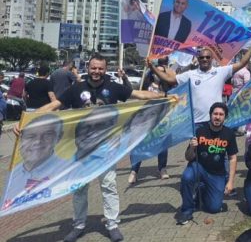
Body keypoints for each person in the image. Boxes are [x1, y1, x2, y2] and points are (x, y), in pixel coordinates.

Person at [29, 54, 163, 242]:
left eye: (100, 68)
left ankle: (112, 224)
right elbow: (55, 105)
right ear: (88, 67)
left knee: (108, 187)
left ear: (105, 69)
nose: (97, 72)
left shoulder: (113, 88)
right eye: (94, 68)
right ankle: (78, 225)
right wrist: (29, 118)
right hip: (82, 150)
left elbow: (139, 95)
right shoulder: (76, 89)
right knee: (79, 189)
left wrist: (165, 96)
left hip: (107, 150)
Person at [153, 36, 251, 127]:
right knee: (194, 150)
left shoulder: (221, 71)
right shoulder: (190, 74)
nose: (205, 59)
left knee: (215, 150)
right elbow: (169, 79)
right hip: (196, 122)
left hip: (216, 120)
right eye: (202, 57)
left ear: (212, 59)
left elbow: (241, 63)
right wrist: (152, 67)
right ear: (198, 59)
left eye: (207, 57)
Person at [177, 103, 239, 225]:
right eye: (215, 114)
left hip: (217, 173)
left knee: (214, 208)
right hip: (199, 167)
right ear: (210, 115)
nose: (217, 117)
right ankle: (187, 210)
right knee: (187, 177)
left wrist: (230, 181)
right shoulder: (200, 131)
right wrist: (191, 147)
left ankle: (202, 190)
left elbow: (232, 158)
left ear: (225, 117)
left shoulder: (229, 134)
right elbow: (188, 157)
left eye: (221, 114)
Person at [2, 114, 67, 208]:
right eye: (30, 136)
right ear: (21, 138)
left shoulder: (67, 171)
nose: (37, 142)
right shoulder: (14, 174)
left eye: (47, 135)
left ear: (59, 137)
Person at [129, 58, 172, 183]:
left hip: (162, 119)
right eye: (155, 71)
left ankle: (162, 168)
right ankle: (134, 170)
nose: (158, 74)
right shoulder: (145, 84)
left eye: (161, 72)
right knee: (140, 144)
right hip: (145, 120)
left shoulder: (167, 87)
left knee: (162, 144)